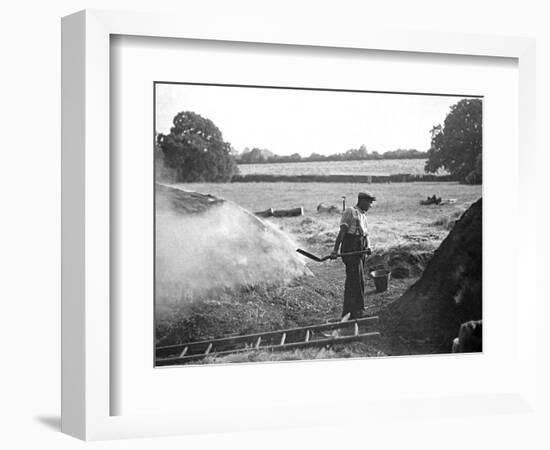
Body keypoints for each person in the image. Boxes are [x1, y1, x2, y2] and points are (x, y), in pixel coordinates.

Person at [330, 192, 375, 319]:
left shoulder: (363, 216)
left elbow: (366, 235)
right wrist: (335, 250)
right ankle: (352, 312)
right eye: (369, 202)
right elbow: (342, 233)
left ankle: (355, 310)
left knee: (359, 279)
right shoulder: (350, 211)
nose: (370, 205)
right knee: (354, 280)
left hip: (361, 249)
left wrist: (369, 247)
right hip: (351, 248)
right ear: (362, 201)